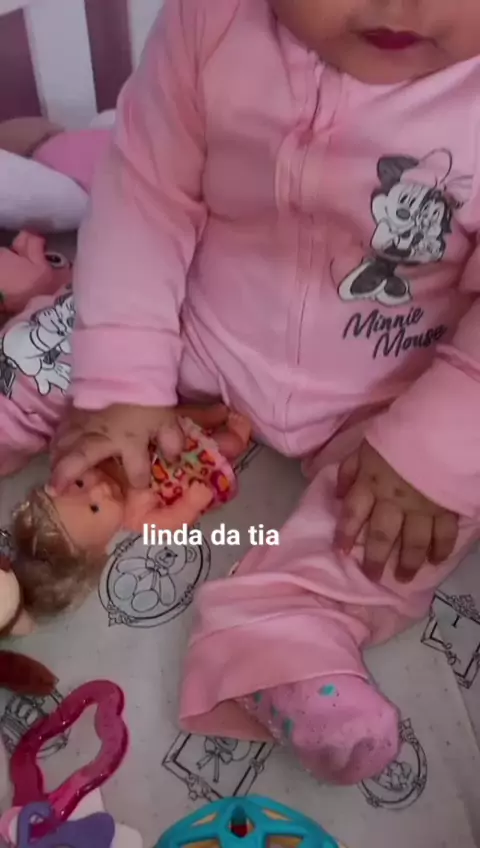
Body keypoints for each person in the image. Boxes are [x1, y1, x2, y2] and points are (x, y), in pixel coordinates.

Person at [48, 0, 480, 784]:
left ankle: (284, 632)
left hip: (398, 393)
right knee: (59, 346)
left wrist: (430, 450)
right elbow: (145, 194)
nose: (399, 4)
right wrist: (121, 378)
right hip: (200, 328)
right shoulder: (208, 25)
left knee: (417, 520)